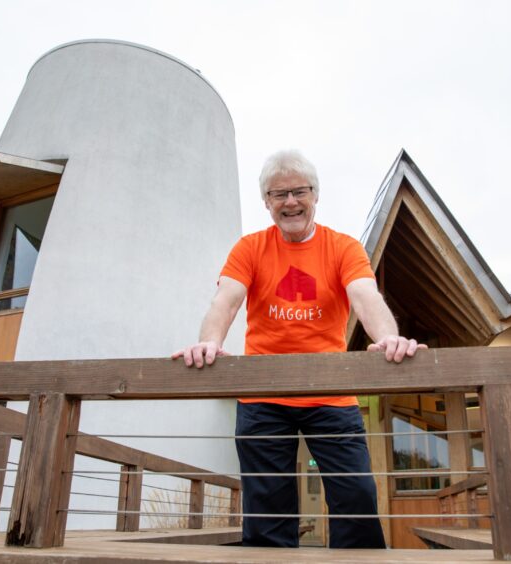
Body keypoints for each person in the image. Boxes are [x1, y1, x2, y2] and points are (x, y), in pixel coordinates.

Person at [173, 149, 423, 548]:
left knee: (356, 497)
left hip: (332, 396)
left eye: (298, 191)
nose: (290, 202)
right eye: (278, 194)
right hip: (263, 397)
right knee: (268, 509)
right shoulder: (250, 248)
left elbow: (365, 295)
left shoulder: (342, 248)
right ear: (267, 203)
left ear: (315, 195)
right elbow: (226, 300)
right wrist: (210, 342)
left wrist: (386, 337)